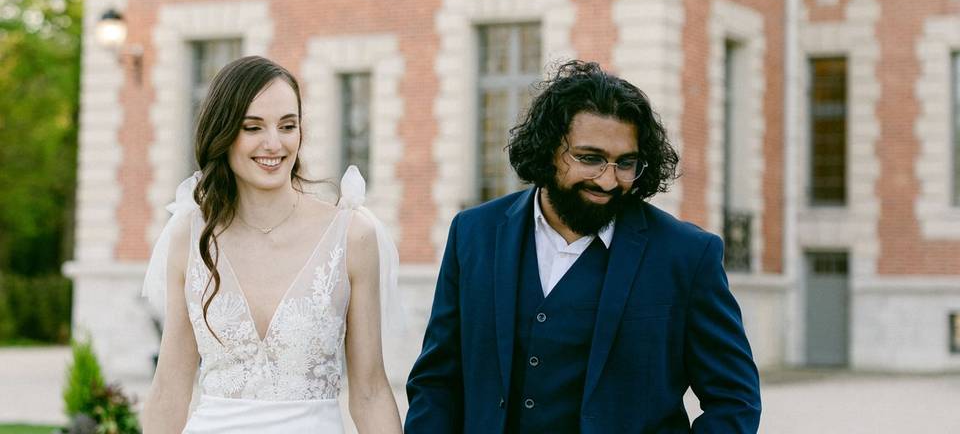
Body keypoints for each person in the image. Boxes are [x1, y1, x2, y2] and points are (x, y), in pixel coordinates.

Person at [405, 60, 761, 433]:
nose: (608, 180)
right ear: (547, 149)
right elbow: (437, 381)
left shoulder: (687, 255)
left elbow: (735, 400)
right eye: (589, 158)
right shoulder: (473, 234)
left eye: (626, 163)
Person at [141, 56, 403, 433]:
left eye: (287, 126)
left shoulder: (351, 235)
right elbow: (169, 389)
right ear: (224, 132)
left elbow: (370, 392)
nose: (273, 143)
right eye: (253, 127)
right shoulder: (190, 235)